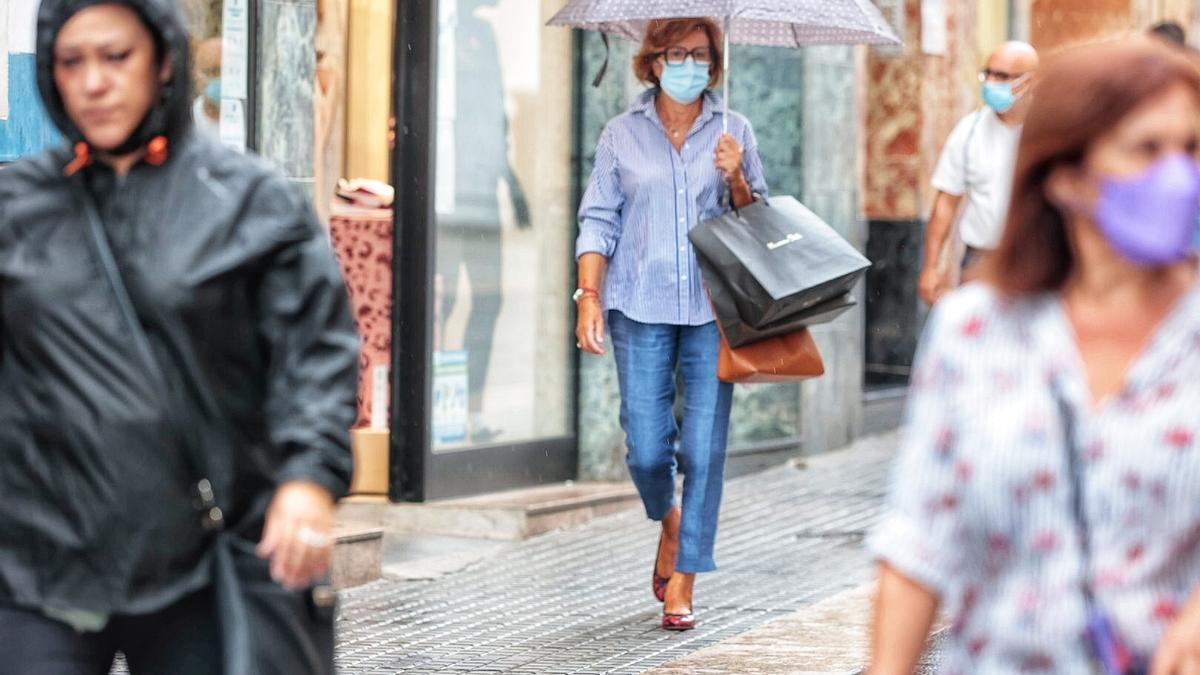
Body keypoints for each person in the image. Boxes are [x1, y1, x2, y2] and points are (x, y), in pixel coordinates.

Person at [0, 1, 358, 673]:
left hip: (203, 557)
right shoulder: (16, 208)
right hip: (40, 563)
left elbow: (315, 353)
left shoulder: (250, 203)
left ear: (163, 60)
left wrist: (307, 479)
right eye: (71, 62)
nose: (94, 82)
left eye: (116, 56)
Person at [869, 39, 1200, 673]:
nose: (1177, 176)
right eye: (1147, 150)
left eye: (1189, 150)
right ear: (1067, 174)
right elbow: (918, 539)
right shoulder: (977, 330)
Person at [575, 17, 767, 631]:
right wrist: (587, 295)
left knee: (705, 449)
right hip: (638, 304)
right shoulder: (619, 135)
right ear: (653, 61)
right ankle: (670, 521)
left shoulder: (734, 129)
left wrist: (736, 175)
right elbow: (598, 220)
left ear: (715, 65)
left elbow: (759, 221)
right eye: (677, 53)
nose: (690, 65)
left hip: (713, 310)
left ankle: (685, 575)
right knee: (647, 447)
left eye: (701, 56)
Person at [435, 0, 532, 444]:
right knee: (442, 303)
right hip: (439, 198)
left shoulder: (481, 34)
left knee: (488, 301)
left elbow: (495, 115)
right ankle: (434, 408)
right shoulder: (436, 32)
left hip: (481, 194)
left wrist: (510, 183)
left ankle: (471, 410)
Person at [917, 41, 1038, 306]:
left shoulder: (1050, 131)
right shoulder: (970, 130)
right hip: (980, 260)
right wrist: (931, 267)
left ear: (1030, 81)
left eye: (1003, 76)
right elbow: (946, 203)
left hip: (1037, 258)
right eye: (989, 73)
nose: (992, 82)